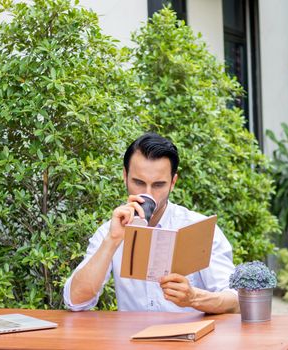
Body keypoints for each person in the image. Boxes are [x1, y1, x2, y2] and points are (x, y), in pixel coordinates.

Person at [63, 132, 240, 314]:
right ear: (125, 176)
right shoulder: (111, 230)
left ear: (172, 183)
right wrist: (112, 240)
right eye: (138, 182)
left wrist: (193, 297)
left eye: (158, 185)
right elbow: (75, 301)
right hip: (132, 338)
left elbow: (236, 300)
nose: (147, 193)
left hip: (190, 339)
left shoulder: (197, 227)